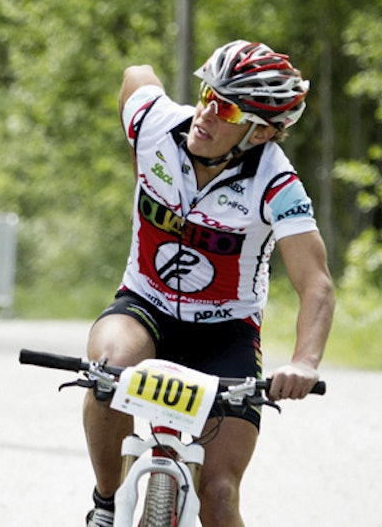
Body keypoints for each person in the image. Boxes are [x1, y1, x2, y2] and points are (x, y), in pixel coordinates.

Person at [81, 40, 335, 527]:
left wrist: (304, 362)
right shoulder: (156, 125)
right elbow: (137, 72)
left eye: (226, 108)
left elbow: (316, 283)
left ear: (260, 133)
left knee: (218, 494)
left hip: (225, 334)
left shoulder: (278, 185)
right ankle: (107, 504)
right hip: (144, 307)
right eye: (206, 94)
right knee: (107, 372)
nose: (205, 113)